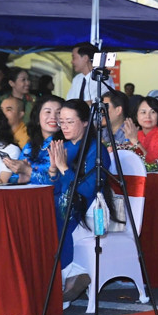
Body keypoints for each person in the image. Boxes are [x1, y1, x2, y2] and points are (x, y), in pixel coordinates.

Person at [50, 99, 113, 303]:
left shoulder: (97, 149)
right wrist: (53, 170)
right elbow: (57, 188)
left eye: (70, 122)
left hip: (90, 210)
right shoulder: (64, 147)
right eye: (62, 122)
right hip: (66, 203)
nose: (64, 127)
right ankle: (62, 276)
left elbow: (87, 190)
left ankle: (68, 276)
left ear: (85, 122)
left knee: (60, 219)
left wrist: (63, 168)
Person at [2, 95, 64, 185]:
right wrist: (21, 179)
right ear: (37, 118)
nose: (53, 117)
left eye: (59, 113)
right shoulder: (29, 146)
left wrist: (27, 171)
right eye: (48, 112)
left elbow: (56, 182)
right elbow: (12, 179)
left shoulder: (65, 146)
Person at [133, 96, 158, 165]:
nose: (148, 116)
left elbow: (154, 164)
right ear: (136, 116)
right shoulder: (137, 134)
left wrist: (135, 141)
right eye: (143, 112)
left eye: (153, 112)